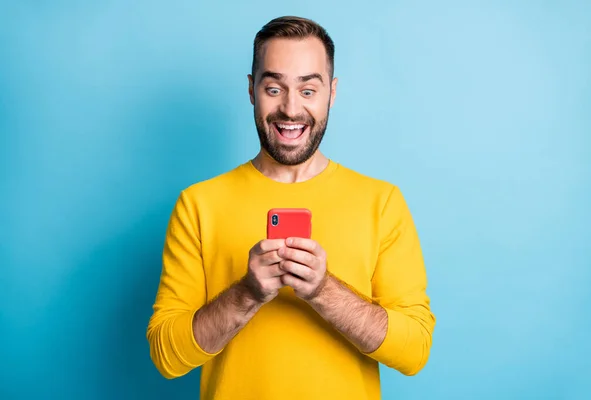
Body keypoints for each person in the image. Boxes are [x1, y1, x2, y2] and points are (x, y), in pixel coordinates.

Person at [146, 15, 436, 400]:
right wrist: (248, 292)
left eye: (308, 90)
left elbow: (414, 350)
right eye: (273, 87)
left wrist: (322, 290)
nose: (290, 108)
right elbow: (167, 357)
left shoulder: (381, 203)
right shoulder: (199, 205)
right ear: (252, 90)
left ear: (332, 93)